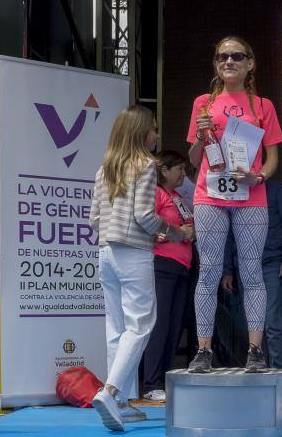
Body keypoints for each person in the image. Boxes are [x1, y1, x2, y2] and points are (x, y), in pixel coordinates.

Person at [89, 106, 194, 431]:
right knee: (141, 325)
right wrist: (177, 232)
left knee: (116, 328)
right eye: (153, 129)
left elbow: (94, 219)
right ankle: (109, 392)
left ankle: (119, 400)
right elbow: (144, 216)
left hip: (106, 251)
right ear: (140, 133)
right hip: (133, 253)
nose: (157, 135)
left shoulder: (105, 168)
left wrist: (149, 229)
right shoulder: (145, 166)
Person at [186, 36, 282, 373]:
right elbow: (194, 159)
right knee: (209, 271)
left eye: (237, 56)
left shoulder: (263, 106)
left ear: (250, 63)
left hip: (250, 196)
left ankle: (255, 350)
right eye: (222, 57)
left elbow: (272, 158)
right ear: (216, 63)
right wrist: (200, 136)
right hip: (209, 194)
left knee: (252, 271)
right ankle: (203, 350)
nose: (229, 62)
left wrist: (259, 177)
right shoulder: (203, 103)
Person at [222, 179, 282, 369]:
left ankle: (280, 375)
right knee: (254, 326)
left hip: (271, 263)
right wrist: (227, 270)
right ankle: (261, 374)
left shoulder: (277, 191)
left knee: (273, 324)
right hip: (243, 266)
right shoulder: (236, 191)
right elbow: (228, 233)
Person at [142, 150, 195, 402]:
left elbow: (186, 227)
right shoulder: (156, 193)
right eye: (180, 169)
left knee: (174, 326)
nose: (184, 174)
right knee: (160, 324)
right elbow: (144, 222)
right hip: (162, 264)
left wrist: (189, 232)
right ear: (164, 171)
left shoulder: (177, 196)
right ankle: (151, 381)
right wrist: (164, 234)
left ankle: (163, 379)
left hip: (182, 266)